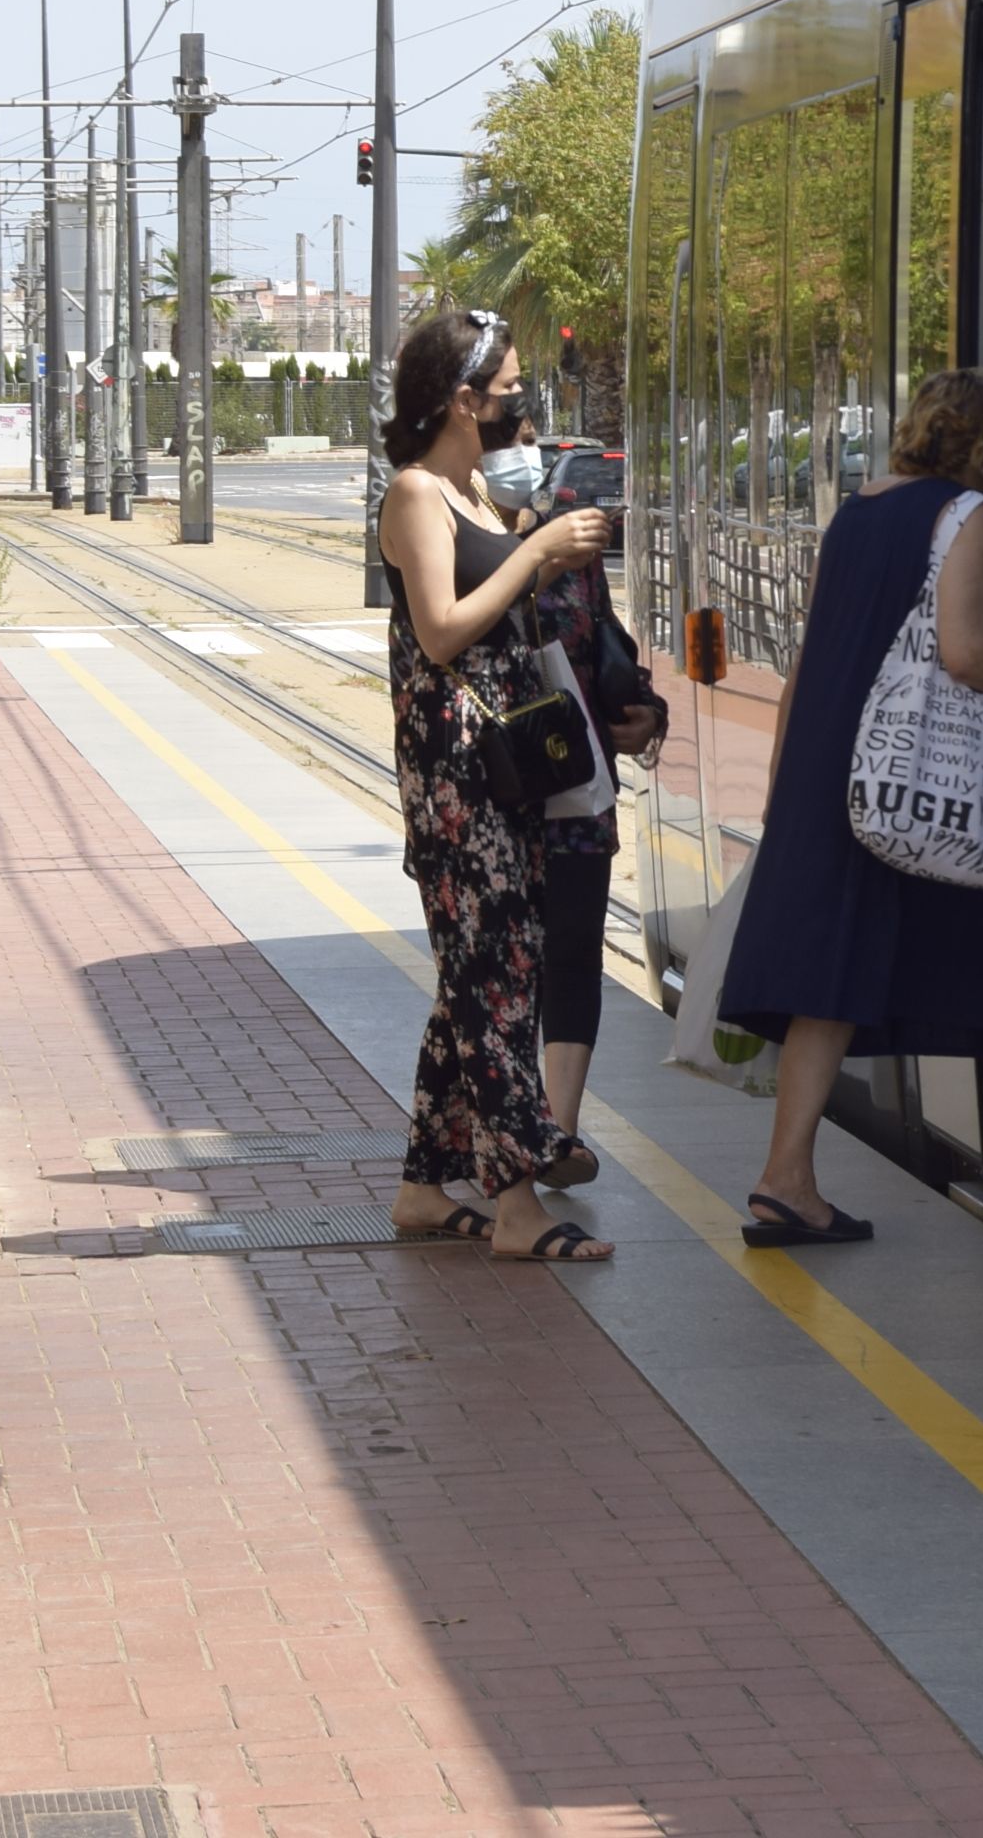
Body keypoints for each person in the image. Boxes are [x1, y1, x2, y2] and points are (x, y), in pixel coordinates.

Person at [720, 370, 983, 1247]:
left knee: (832, 979)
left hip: (830, 760)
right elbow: (966, 655)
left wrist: (784, 786)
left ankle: (787, 1177)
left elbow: (810, 655)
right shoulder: (964, 514)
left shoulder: (857, 512)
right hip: (911, 774)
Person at [377, 309, 615, 1263]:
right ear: (462, 400)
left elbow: (509, 613)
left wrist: (542, 546)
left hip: (507, 766)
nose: (523, 402)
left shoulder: (476, 491)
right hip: (455, 776)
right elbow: (440, 630)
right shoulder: (415, 494)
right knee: (499, 977)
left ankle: (423, 1190)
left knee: (479, 973)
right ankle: (517, 1206)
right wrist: (534, 554)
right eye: (509, 388)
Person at [489, 409, 666, 1189]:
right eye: (512, 441)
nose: (526, 455)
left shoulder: (576, 550)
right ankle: (507, 1129)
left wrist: (644, 713)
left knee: (573, 956)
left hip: (577, 791)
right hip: (493, 801)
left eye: (532, 440)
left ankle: (557, 1133)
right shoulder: (458, 542)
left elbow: (604, 650)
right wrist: (535, 563)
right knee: (499, 966)